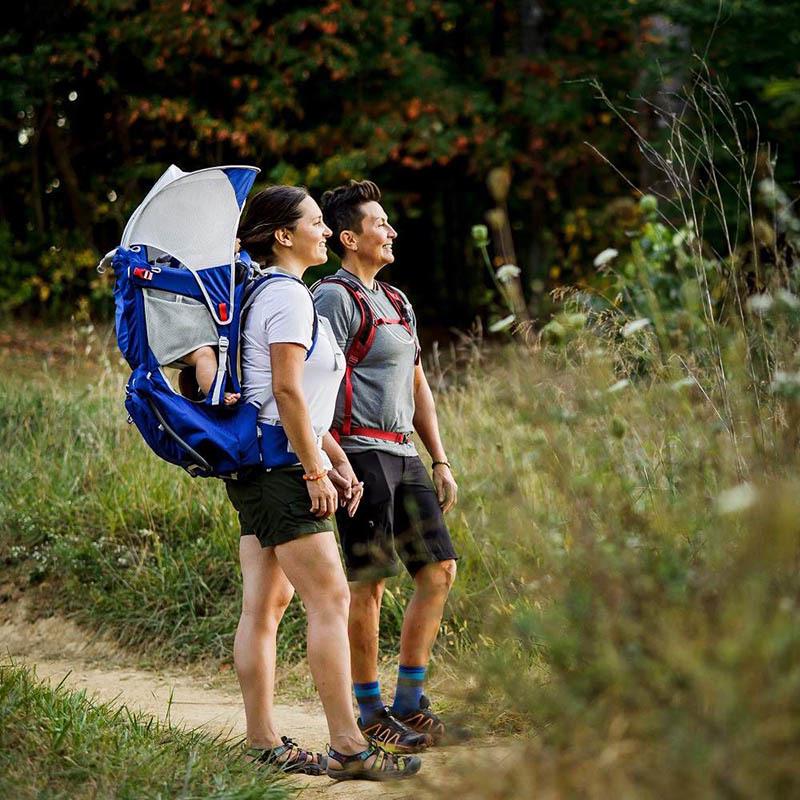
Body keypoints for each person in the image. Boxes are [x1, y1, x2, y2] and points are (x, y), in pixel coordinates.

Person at [226, 184, 422, 781]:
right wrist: (315, 468)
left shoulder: (264, 292)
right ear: (284, 236)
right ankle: (349, 746)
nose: (323, 231)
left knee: (265, 604)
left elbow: (292, 399)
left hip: (259, 463)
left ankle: (262, 741)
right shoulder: (286, 296)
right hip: (283, 468)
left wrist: (333, 455)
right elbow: (285, 391)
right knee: (331, 599)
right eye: (314, 222)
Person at [313, 180, 459, 751]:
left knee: (438, 570)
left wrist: (439, 458)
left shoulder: (397, 301)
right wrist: (324, 458)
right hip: (359, 453)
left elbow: (417, 381)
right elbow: (309, 376)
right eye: (379, 223)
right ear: (349, 238)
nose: (390, 231)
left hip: (405, 452)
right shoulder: (331, 296)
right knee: (369, 584)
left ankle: (408, 702)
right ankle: (370, 710)